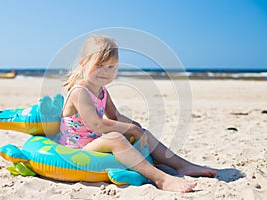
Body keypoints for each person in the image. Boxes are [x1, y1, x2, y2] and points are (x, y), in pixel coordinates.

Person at [58, 34, 216, 192]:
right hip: (78, 148)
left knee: (143, 132)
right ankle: (161, 179)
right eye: (99, 65)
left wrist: (136, 126)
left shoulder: (101, 91)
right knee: (116, 138)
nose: (105, 71)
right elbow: (96, 124)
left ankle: (183, 166)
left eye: (111, 67)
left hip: (94, 142)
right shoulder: (80, 92)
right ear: (83, 64)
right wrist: (131, 129)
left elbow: (115, 116)